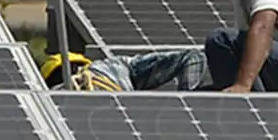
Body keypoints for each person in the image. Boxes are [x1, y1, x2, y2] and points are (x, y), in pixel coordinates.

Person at [40, 50, 211, 91]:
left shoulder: (115, 68)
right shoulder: (117, 67)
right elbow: (193, 58)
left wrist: (186, 106)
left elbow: (192, 58)